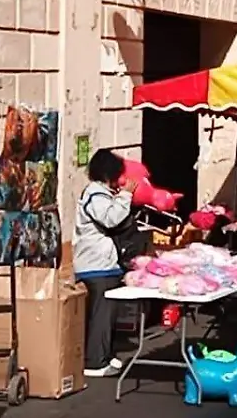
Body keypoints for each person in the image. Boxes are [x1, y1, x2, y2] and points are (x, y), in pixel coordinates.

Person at [73, 149, 136, 378]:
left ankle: (104, 355)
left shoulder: (100, 193)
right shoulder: (95, 194)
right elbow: (111, 218)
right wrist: (126, 195)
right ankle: (95, 363)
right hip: (95, 265)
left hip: (101, 263)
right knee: (102, 313)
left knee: (106, 313)